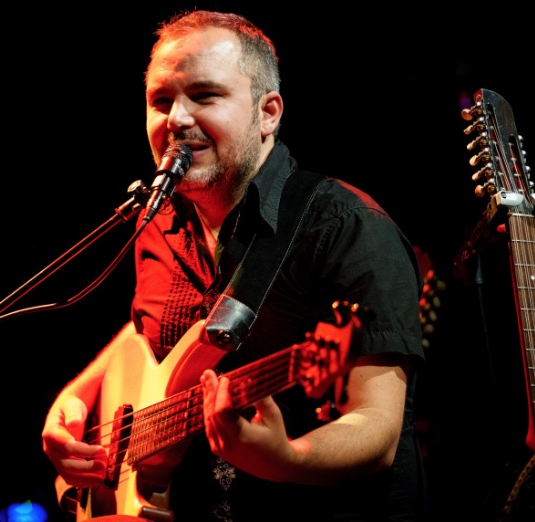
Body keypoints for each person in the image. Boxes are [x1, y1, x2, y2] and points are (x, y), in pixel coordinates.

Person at [41, 9, 427, 522]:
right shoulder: (157, 221)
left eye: (204, 96)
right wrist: (76, 396)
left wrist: (289, 457)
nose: (176, 119)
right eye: (161, 101)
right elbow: (146, 336)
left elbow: (377, 429)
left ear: (268, 113)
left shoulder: (349, 228)